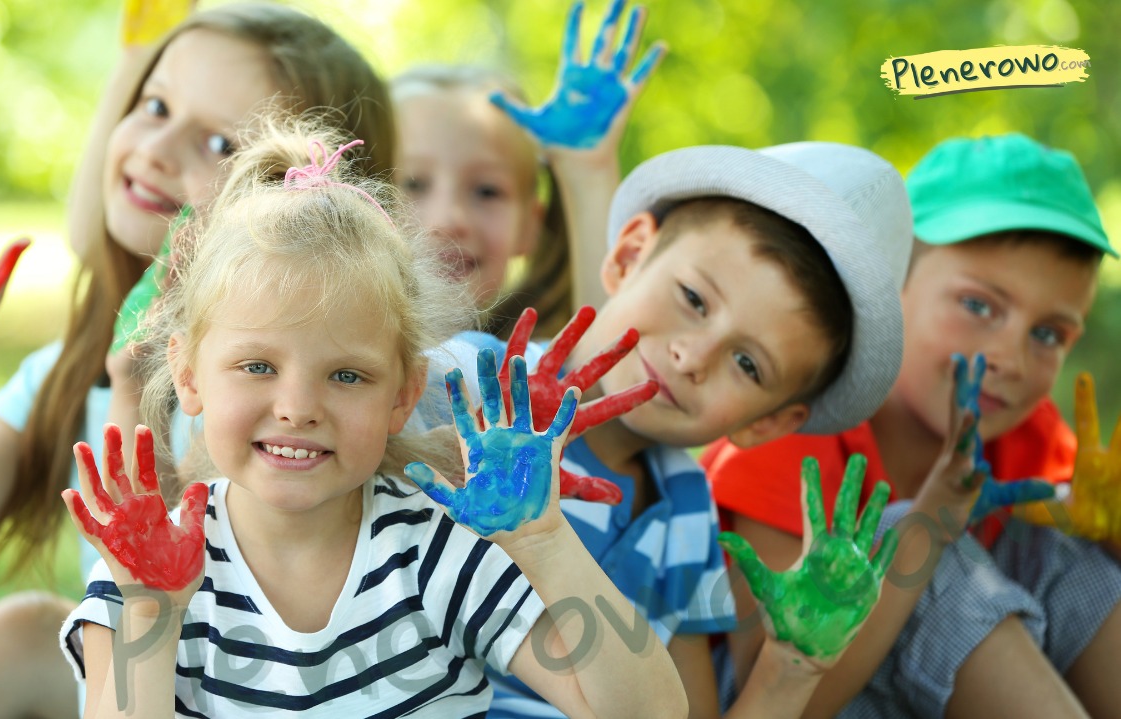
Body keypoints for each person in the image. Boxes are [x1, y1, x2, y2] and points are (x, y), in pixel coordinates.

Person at [0, 4, 394, 718]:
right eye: (154, 104)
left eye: (220, 141)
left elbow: (206, 604)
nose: (158, 148)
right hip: (126, 687)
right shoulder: (72, 372)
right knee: (30, 631)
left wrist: (136, 392)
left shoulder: (299, 407)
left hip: (261, 691)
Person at [58, 121, 688, 717]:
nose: (298, 408)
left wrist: (544, 543)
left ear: (402, 395)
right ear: (189, 375)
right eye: (256, 366)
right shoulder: (147, 570)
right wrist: (152, 612)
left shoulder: (434, 551)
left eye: (346, 376)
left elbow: (651, 710)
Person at [419, 138, 915, 718]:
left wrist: (793, 667)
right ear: (628, 256)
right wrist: (448, 441)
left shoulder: (687, 513)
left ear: (771, 422)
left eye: (749, 364)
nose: (692, 356)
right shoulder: (471, 384)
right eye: (694, 299)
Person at [703, 133, 1121, 718]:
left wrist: (1110, 536)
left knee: (1062, 551)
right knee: (909, 539)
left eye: (1047, 334)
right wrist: (928, 525)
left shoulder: (1026, 436)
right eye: (978, 306)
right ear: (889, 284)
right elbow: (775, 696)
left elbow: (1081, 593)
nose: (1011, 358)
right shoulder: (796, 426)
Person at [392, 0, 664, 337]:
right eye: (413, 183)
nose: (447, 220)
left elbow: (606, 360)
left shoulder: (529, 369)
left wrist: (586, 171)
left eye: (487, 191)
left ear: (530, 226)